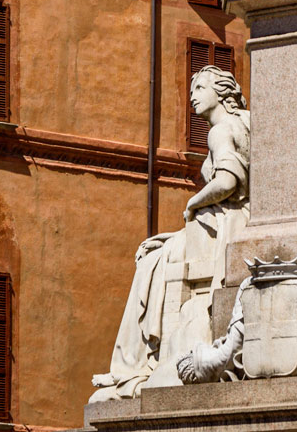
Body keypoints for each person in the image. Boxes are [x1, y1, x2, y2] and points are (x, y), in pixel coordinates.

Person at [90, 64, 250, 400]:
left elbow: (227, 182)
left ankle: (134, 365)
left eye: (199, 89)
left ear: (220, 93)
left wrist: (192, 204)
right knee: (162, 248)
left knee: (152, 260)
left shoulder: (220, 130)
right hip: (237, 218)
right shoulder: (247, 122)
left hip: (223, 221)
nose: (192, 97)